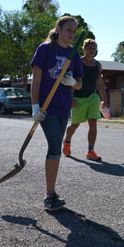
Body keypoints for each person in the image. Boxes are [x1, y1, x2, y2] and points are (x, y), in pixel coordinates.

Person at [31, 16, 83, 211]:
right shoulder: (45, 49)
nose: (72, 34)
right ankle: (49, 195)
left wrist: (72, 84)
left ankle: (51, 193)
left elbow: (80, 83)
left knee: (56, 150)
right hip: (46, 107)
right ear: (59, 29)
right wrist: (35, 106)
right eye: (69, 29)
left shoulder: (74, 54)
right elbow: (36, 80)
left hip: (63, 107)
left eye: (74, 31)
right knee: (54, 146)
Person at [62, 39, 109, 161]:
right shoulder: (78, 62)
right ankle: (67, 141)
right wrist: (70, 98)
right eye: (89, 48)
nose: (92, 50)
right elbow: (70, 80)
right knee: (75, 124)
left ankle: (90, 151)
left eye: (94, 48)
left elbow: (100, 83)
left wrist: (105, 100)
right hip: (78, 98)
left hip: (92, 98)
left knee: (93, 123)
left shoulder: (97, 65)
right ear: (84, 48)